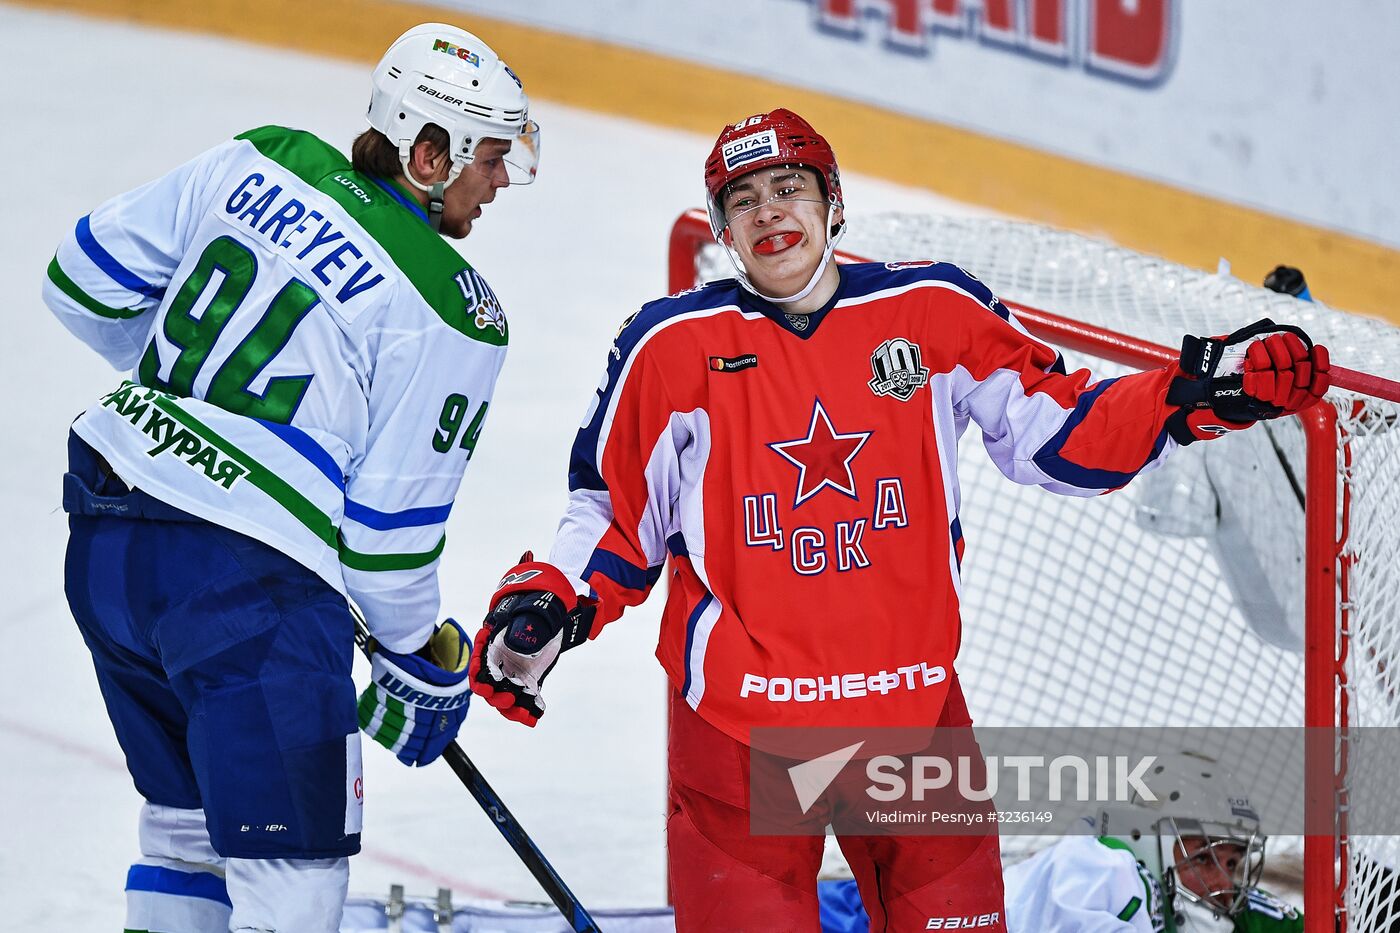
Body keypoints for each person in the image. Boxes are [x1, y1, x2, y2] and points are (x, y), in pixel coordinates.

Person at [465, 109, 1331, 930]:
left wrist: (1194, 392)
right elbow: (616, 512)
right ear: (722, 233)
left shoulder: (933, 314)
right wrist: (551, 603)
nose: (770, 214)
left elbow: (1062, 432)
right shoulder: (670, 348)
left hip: (912, 729)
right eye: (744, 201)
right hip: (740, 737)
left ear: (833, 202)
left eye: (789, 188)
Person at [45, 22, 538, 933]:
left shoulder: (261, 157)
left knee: (185, 836)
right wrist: (417, 658)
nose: (501, 180)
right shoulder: (449, 307)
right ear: (431, 154)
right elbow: (388, 547)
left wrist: (194, 407)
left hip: (108, 542)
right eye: (492, 159)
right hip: (246, 597)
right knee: (291, 868)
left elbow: (79, 282)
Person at [1004, 751, 1304, 932]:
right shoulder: (1100, 871)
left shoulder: (1233, 909)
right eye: (1202, 858)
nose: (1220, 884)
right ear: (1148, 842)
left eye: (1231, 862)